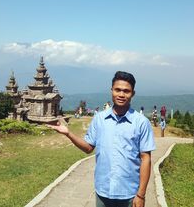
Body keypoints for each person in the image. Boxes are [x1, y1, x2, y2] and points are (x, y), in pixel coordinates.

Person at [47, 71, 155, 207]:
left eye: (126, 91)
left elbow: (146, 158)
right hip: (103, 191)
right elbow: (88, 148)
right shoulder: (99, 119)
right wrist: (68, 133)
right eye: (118, 90)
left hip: (130, 194)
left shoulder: (141, 122)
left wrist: (141, 195)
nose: (121, 94)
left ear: (132, 93)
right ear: (111, 91)